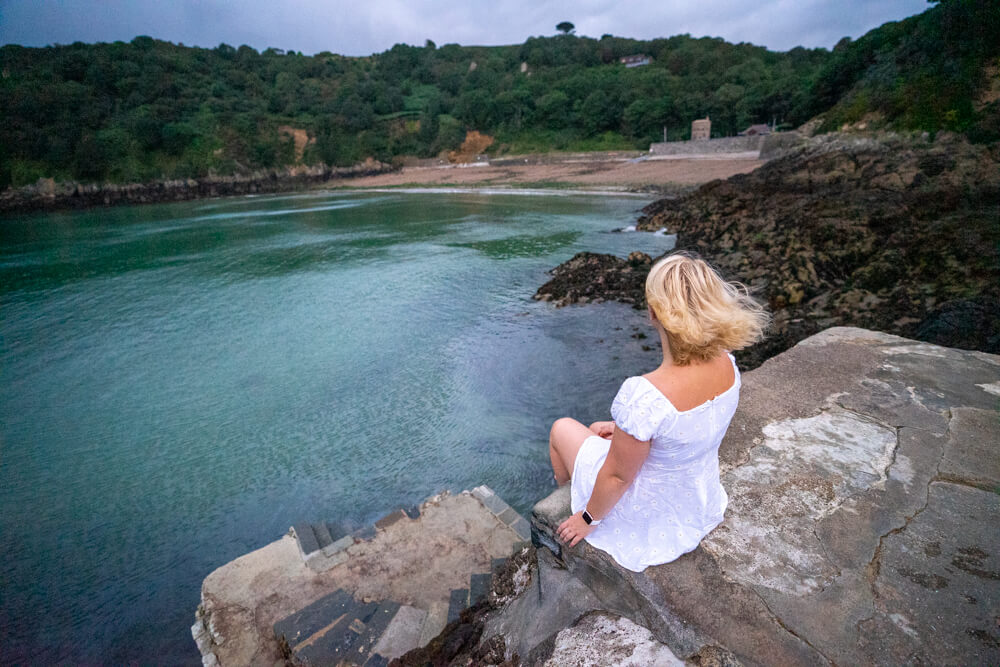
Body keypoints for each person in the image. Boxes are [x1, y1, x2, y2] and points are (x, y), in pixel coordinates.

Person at [548, 252, 768, 572]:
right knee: (599, 428)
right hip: (693, 498)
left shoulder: (644, 395)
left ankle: (563, 500)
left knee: (561, 428)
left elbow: (619, 476)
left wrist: (587, 519)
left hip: (644, 509)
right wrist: (624, 430)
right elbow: (689, 424)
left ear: (653, 313)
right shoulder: (727, 364)